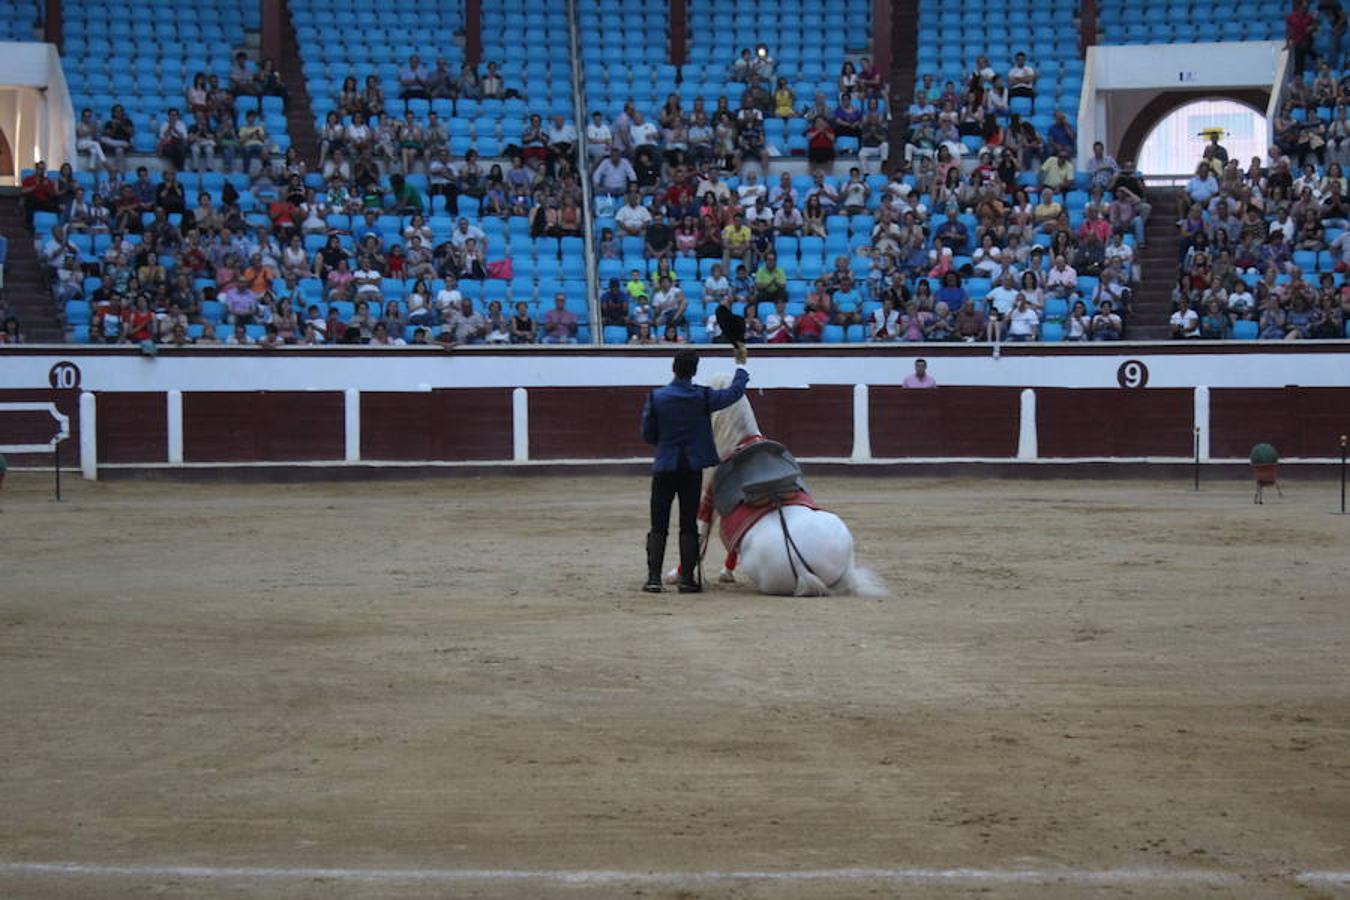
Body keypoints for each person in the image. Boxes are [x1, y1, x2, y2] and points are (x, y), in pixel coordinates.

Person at [641, 348, 749, 593]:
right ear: (694, 371)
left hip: (665, 467)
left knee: (659, 524)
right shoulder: (702, 396)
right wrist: (741, 367)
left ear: (673, 368)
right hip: (690, 468)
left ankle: (654, 579)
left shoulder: (656, 397)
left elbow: (647, 434)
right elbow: (734, 393)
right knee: (688, 524)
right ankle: (688, 579)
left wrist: (666, 442)